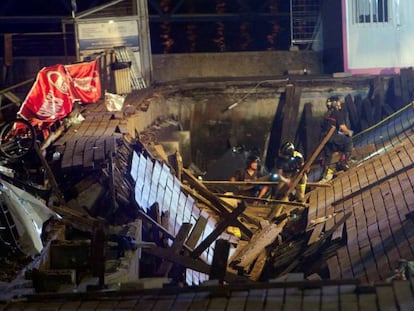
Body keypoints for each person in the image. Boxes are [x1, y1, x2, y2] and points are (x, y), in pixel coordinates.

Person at [320, 96, 354, 182]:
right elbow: (343, 127)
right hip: (332, 137)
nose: (340, 104)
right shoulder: (337, 113)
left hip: (324, 140)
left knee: (328, 156)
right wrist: (349, 132)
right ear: (335, 104)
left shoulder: (327, 114)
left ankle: (326, 173)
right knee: (347, 141)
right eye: (338, 102)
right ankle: (344, 162)